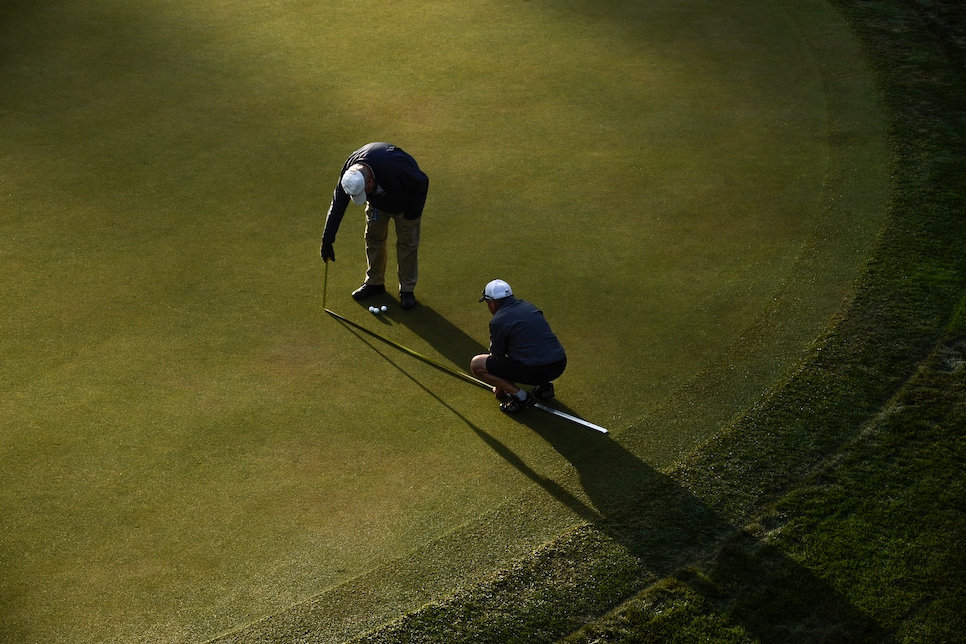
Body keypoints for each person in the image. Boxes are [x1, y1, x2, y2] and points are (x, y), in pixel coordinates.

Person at [320, 143, 429, 310]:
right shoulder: (350, 172)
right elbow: (338, 204)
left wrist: (412, 213)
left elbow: (422, 181)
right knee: (373, 238)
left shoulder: (393, 165)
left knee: (407, 245)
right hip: (378, 205)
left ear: (369, 180)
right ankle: (375, 283)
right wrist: (327, 240)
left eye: (365, 191)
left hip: (406, 204)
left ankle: (407, 290)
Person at [470, 279, 567, 414]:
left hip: (536, 370)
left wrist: (500, 386)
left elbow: (497, 356)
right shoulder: (529, 306)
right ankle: (545, 387)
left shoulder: (498, 321)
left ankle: (521, 398)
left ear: (492, 302)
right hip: (559, 364)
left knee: (477, 364)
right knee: (527, 346)